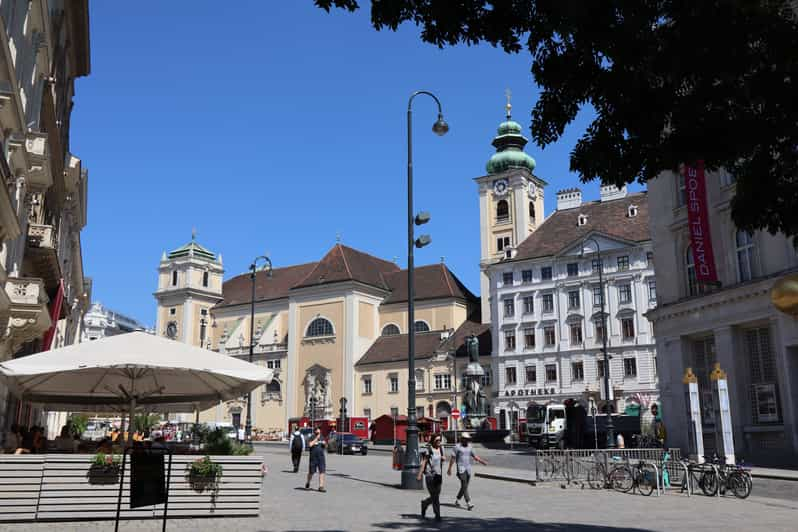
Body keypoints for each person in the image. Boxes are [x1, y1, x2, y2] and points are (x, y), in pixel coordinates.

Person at [447, 433, 487, 511]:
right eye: (465, 439)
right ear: (461, 439)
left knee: (464, 486)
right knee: (464, 485)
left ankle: (457, 500)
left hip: (468, 469)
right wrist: (449, 469)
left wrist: (482, 461)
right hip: (460, 469)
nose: (467, 440)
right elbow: (452, 458)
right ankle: (469, 503)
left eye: (468, 439)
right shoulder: (457, 447)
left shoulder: (470, 447)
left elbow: (475, 456)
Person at [417, 435, 444, 522]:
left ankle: (425, 503)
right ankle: (438, 515)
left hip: (438, 475)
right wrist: (420, 474)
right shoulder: (429, 450)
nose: (439, 441)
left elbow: (441, 461)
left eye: (440, 440)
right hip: (430, 476)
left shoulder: (441, 449)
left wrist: (443, 459)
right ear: (433, 441)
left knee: (436, 495)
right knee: (435, 497)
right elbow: (424, 462)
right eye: (437, 440)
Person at [305, 427, 326, 492]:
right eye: (318, 430)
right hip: (313, 457)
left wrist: (324, 443)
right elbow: (310, 445)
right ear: (315, 431)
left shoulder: (322, 437)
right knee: (311, 472)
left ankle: (321, 486)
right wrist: (316, 439)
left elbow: (325, 446)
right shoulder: (311, 437)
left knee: (322, 471)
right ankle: (308, 482)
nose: (319, 432)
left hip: (321, 457)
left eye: (319, 430)